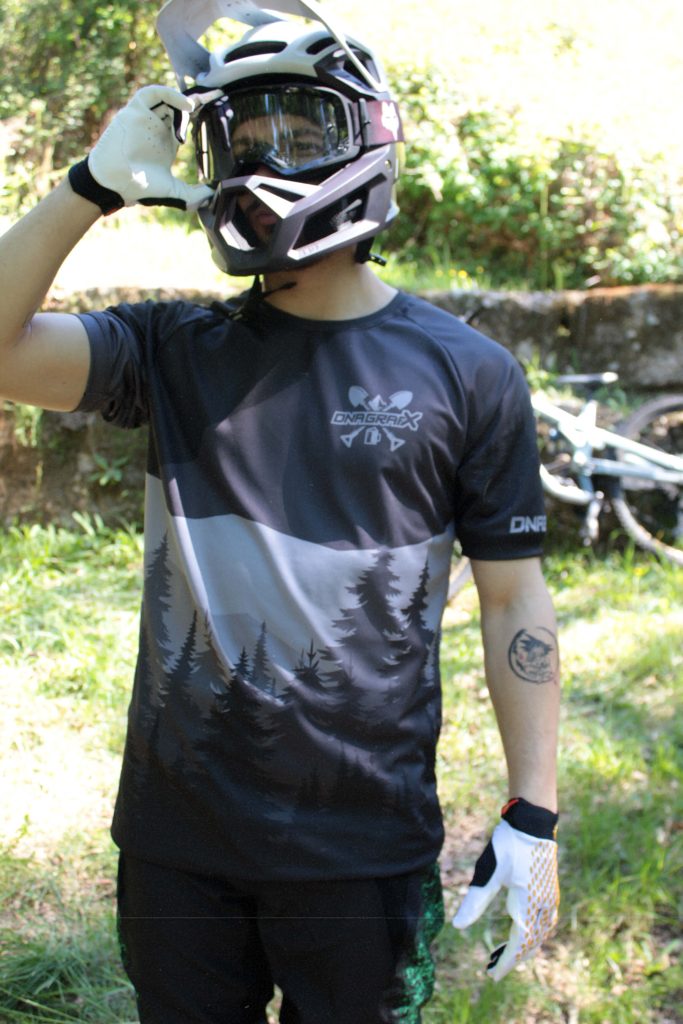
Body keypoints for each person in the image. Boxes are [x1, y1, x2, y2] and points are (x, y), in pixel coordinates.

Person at [0, 1, 560, 1020]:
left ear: (366, 136)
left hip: (363, 850)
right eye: (239, 137)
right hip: (176, 845)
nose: (263, 162)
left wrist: (534, 811)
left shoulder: (468, 373)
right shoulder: (169, 352)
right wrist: (88, 187)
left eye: (297, 132)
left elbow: (512, 599)